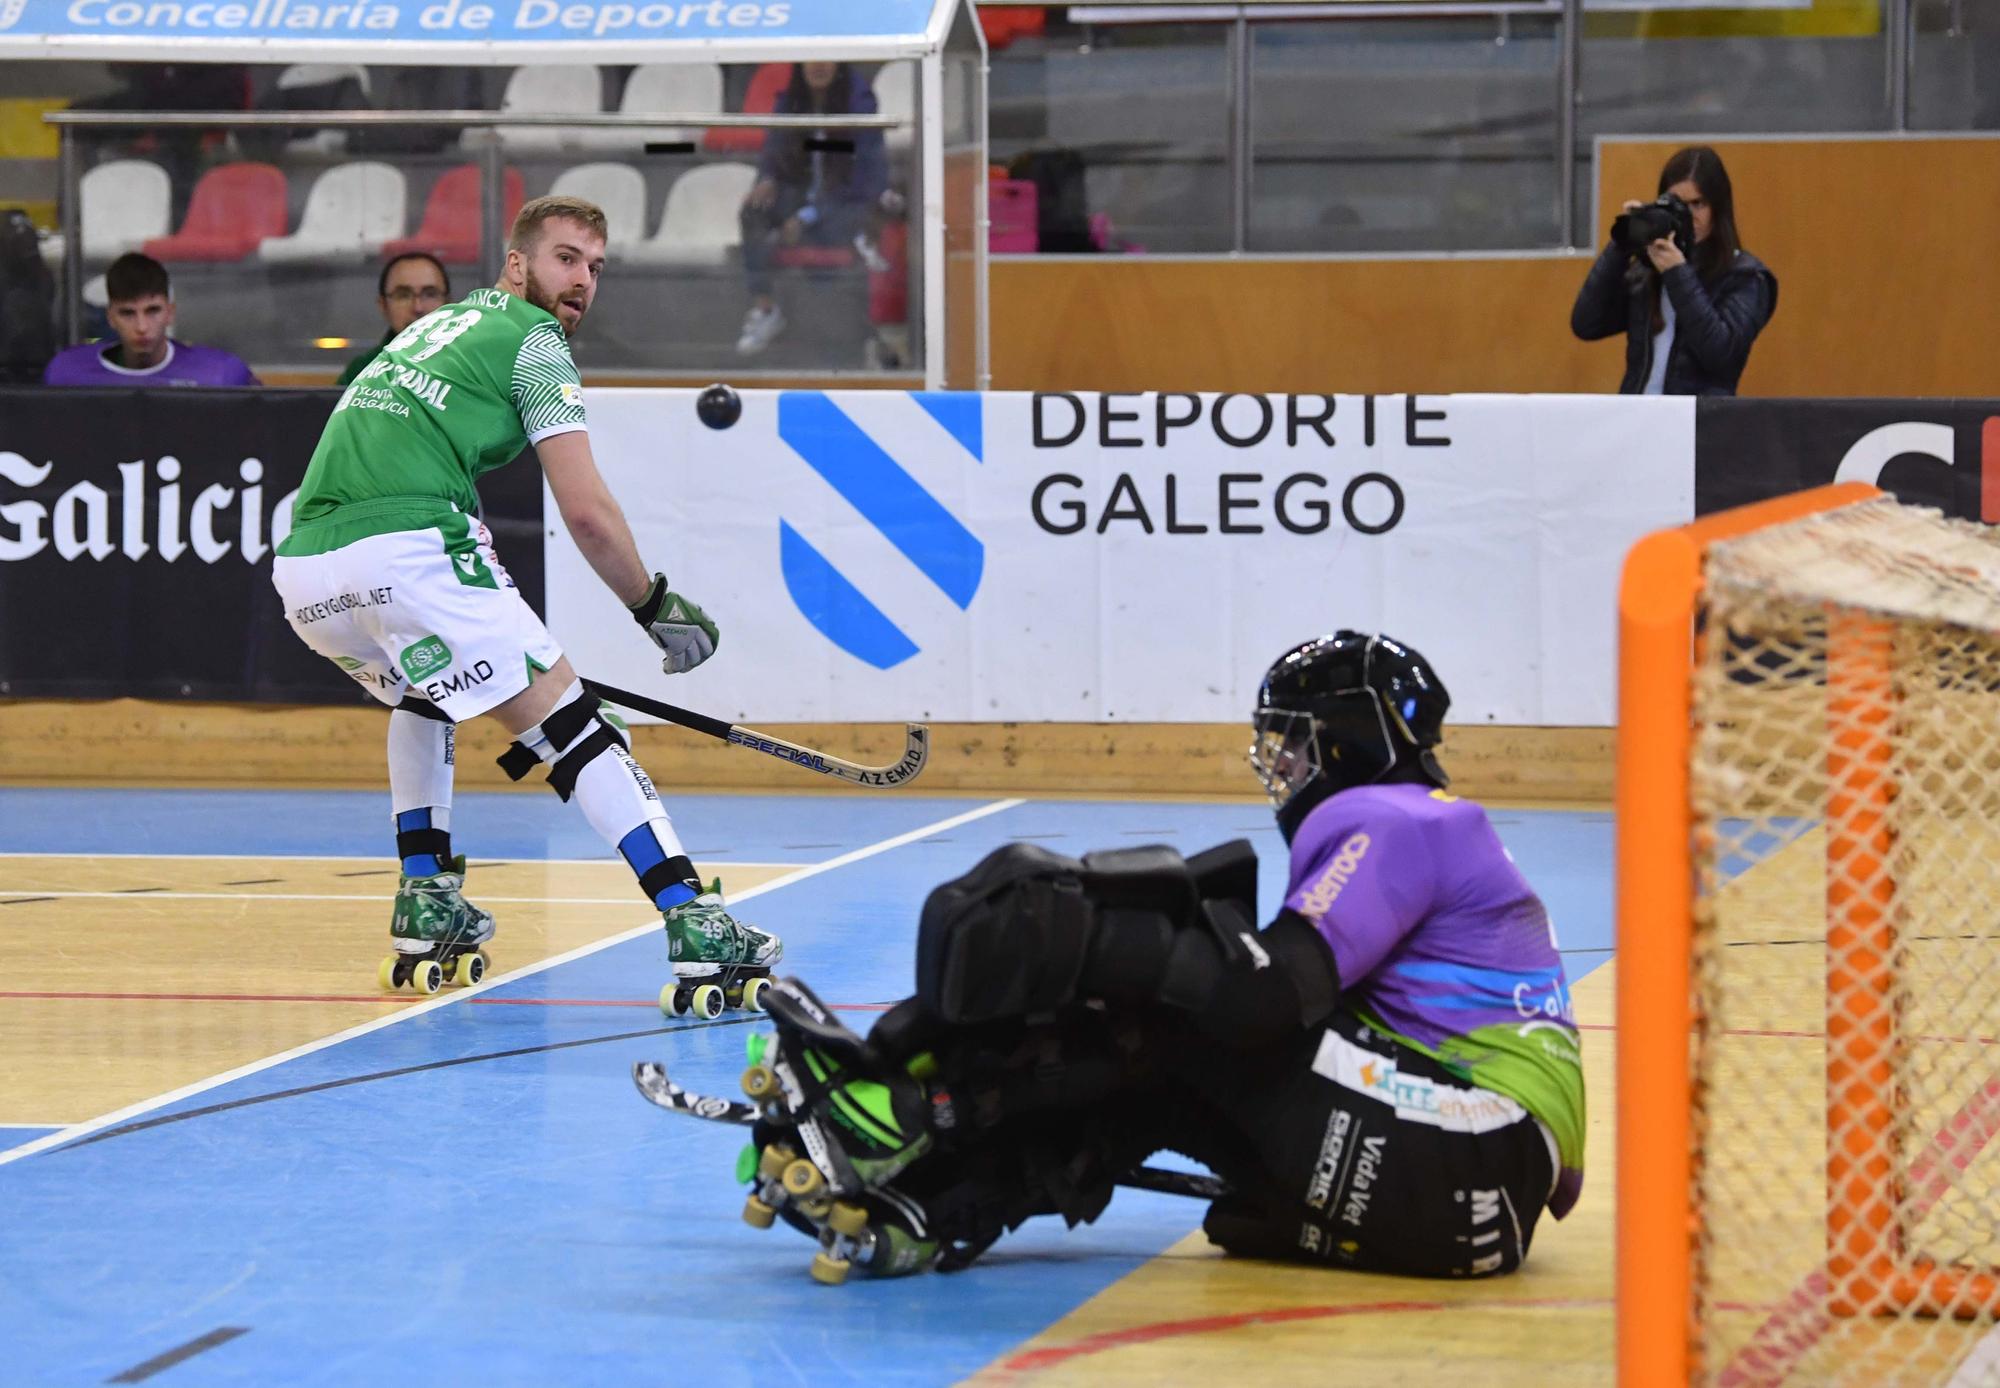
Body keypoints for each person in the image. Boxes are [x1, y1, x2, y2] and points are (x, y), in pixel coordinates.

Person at [716, 631, 1586, 1281]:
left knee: (1168, 1015)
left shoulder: (1397, 820)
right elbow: (1563, 1174)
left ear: (1345, 739)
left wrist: (1098, 936)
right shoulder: (1445, 829)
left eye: (1293, 744)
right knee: (1153, 1086)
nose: (1280, 767)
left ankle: (901, 1112)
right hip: (1472, 1190)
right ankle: (925, 1210)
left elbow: (1264, 1000)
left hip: (1467, 1155)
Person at [271, 194, 781, 1006]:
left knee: (423, 693)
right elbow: (586, 512)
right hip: (407, 549)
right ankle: (692, 917)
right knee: (573, 727)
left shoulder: (449, 326)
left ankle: (426, 896)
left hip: (304, 572)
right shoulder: (535, 343)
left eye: (596, 267)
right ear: (518, 264)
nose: (582, 281)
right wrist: (652, 605)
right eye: (566, 258)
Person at [1570, 145, 1776, 396]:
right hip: (1639, 420)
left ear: (1718, 209)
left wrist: (1678, 273)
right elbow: (1586, 324)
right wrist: (1622, 243)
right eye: (1678, 205)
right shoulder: (1649, 270)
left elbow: (1721, 355)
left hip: (1698, 426)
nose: (1688, 217)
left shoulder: (1746, 277)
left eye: (1697, 204)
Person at [734, 61, 890, 356]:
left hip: (847, 201)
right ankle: (766, 309)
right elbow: (773, 153)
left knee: (839, 223)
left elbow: (863, 178)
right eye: (811, 58)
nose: (818, 65)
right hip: (800, 195)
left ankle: (861, 332)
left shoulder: (859, 104)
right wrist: (767, 179)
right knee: (753, 210)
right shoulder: (790, 101)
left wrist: (806, 218)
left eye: (826, 58)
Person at [43, 253, 258, 387]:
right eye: (127, 313)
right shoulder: (67, 373)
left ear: (170, 313)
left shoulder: (222, 374)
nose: (142, 327)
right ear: (110, 317)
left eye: (152, 311)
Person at [337, 252, 450, 387]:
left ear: (448, 303)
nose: (418, 307)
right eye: (403, 295)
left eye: (430, 294)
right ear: (383, 306)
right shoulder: (362, 371)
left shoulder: (470, 365)